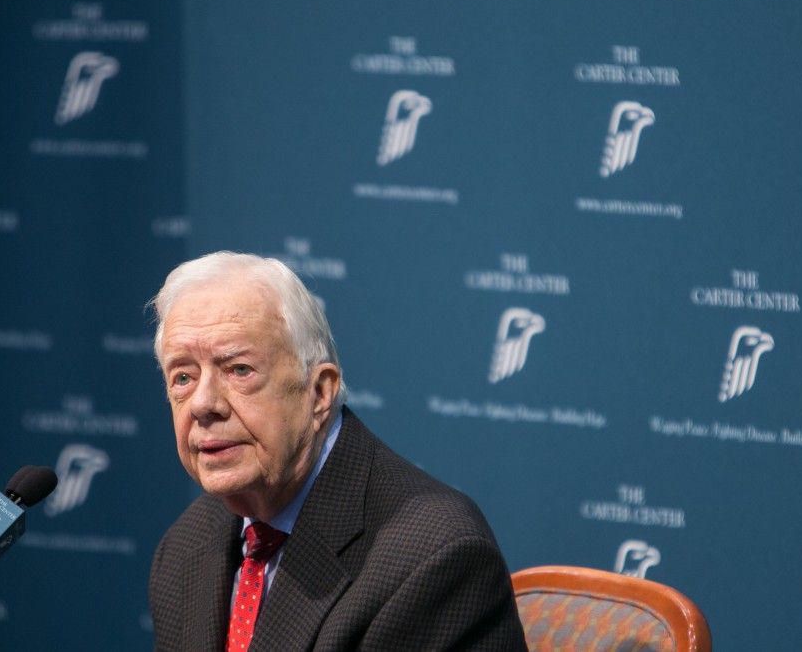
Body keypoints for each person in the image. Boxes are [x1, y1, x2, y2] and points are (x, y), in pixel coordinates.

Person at [148, 251, 528, 651]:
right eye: (184, 377)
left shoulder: (433, 557)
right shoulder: (185, 547)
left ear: (319, 393)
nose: (204, 404)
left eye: (239, 370)